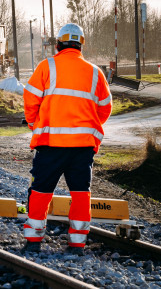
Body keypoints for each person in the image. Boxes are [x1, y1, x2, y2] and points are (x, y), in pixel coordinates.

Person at [21, 23, 112, 254]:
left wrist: (35, 125)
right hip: (83, 148)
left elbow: (30, 100)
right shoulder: (95, 72)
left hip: (51, 145)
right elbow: (105, 107)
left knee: (41, 190)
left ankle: (33, 241)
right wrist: (90, 129)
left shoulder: (46, 66)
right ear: (81, 44)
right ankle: (77, 244)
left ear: (58, 44)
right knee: (81, 193)